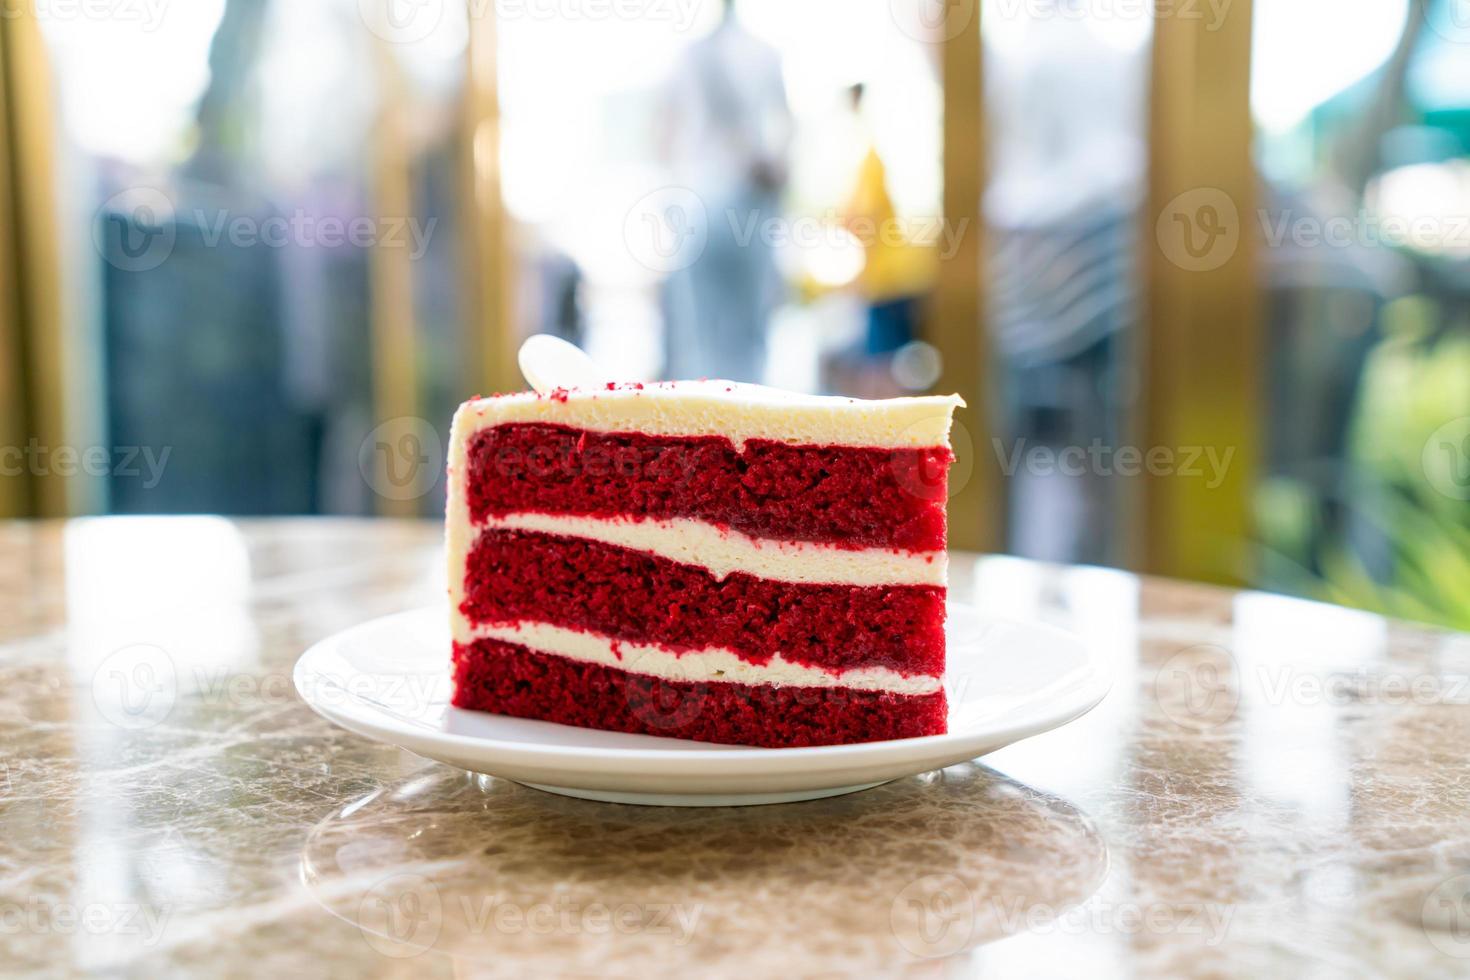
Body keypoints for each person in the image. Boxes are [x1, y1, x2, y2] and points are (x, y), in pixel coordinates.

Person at [659, 0, 791, 382]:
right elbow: (784, 137)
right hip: (742, 206)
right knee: (747, 332)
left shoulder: (692, 56)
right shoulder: (763, 54)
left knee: (700, 334)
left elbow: (667, 134)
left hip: (702, 203)